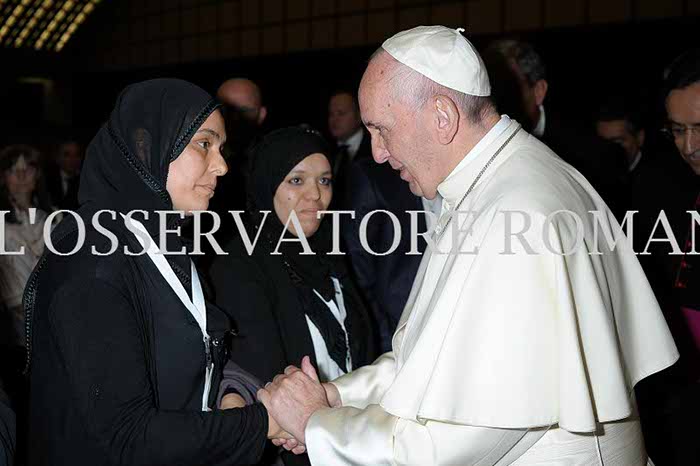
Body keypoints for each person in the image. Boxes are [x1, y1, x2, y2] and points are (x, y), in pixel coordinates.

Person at [258, 26, 679, 465]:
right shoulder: (495, 183)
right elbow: (424, 359)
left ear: (442, 116)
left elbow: (450, 444)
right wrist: (336, 395)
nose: (378, 153)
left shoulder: (515, 211)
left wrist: (317, 423)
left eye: (382, 130)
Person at [24, 79, 284, 466]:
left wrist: (226, 394)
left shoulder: (157, 241)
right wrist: (265, 422)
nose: (222, 165)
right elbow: (129, 438)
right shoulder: (94, 261)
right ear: (149, 146)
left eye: (222, 147)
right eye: (204, 143)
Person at [208, 126, 375, 465]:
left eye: (325, 180)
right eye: (296, 181)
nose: (315, 194)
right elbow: (258, 384)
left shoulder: (329, 255)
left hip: (350, 438)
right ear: (267, 184)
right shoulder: (239, 267)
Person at [0, 144, 54, 349]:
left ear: (37, 175)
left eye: (27, 169)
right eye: (14, 170)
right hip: (12, 324)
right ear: (4, 177)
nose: (21, 176)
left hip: (50, 318)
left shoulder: (54, 220)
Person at [46, 139, 83, 210]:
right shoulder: (47, 179)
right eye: (67, 155)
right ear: (57, 157)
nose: (73, 159)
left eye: (76, 155)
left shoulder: (85, 181)